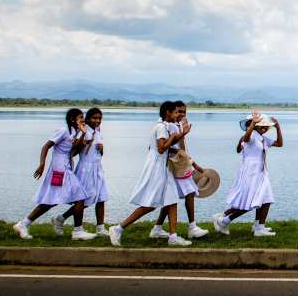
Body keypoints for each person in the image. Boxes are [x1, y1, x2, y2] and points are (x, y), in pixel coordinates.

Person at [107, 101, 191, 246]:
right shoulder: (160, 127)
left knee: (172, 200)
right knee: (150, 204)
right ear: (167, 112)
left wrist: (182, 133)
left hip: (164, 167)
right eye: (175, 112)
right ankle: (118, 229)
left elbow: (170, 142)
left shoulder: (165, 126)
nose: (177, 115)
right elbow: (162, 148)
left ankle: (173, 237)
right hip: (157, 167)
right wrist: (173, 137)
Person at [11, 108, 95, 241]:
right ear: (72, 119)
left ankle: (24, 224)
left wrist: (83, 136)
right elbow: (46, 147)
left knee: (53, 200)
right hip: (59, 170)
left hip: (66, 168)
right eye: (80, 117)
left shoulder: (75, 132)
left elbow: (73, 151)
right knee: (79, 196)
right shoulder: (63, 131)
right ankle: (77, 231)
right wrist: (42, 164)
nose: (83, 119)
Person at [213, 112, 283, 237]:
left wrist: (278, 128)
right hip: (251, 172)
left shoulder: (263, 139)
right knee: (249, 201)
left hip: (261, 172)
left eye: (266, 126)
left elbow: (279, 144)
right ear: (254, 126)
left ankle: (259, 226)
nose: (264, 128)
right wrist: (253, 125)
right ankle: (225, 220)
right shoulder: (251, 136)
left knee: (265, 199)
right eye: (261, 125)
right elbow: (245, 139)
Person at [149, 101, 210, 240]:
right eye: (178, 112)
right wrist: (179, 147)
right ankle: (192, 227)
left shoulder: (178, 125)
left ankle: (158, 228)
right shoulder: (166, 126)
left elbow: (183, 148)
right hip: (173, 165)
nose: (181, 114)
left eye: (184, 112)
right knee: (188, 193)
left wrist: (193, 164)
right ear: (171, 112)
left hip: (181, 164)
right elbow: (163, 146)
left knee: (172, 198)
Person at [56, 107, 110, 236]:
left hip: (97, 167)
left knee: (101, 197)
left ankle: (100, 228)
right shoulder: (83, 132)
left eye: (100, 118)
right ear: (88, 119)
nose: (97, 121)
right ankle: (65, 220)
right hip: (86, 168)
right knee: (83, 199)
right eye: (94, 118)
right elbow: (75, 149)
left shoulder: (98, 133)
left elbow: (98, 154)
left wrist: (101, 149)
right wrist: (83, 143)